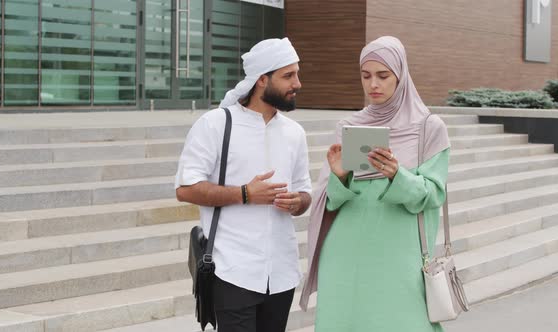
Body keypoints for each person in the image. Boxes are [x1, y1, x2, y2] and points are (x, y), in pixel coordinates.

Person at [299, 36, 451, 331]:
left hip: (398, 254)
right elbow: (328, 201)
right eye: (366, 76)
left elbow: (434, 194)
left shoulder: (428, 128)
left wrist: (398, 175)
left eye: (383, 76)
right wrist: (339, 176)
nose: (373, 85)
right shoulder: (349, 125)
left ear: (401, 75)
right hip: (345, 251)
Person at [175, 37, 312, 332]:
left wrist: (298, 202)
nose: (297, 83)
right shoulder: (215, 124)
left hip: (282, 273)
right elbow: (185, 188)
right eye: (288, 75)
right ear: (262, 80)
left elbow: (305, 192)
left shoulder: (294, 133)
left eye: (297, 74)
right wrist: (244, 193)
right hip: (232, 271)